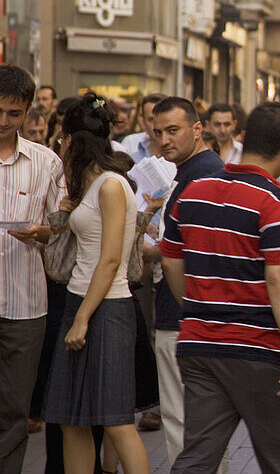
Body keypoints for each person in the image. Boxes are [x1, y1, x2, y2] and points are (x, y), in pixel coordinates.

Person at [161, 102, 280, 474]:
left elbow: (170, 261)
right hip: (257, 349)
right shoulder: (275, 200)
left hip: (198, 344)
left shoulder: (194, 190)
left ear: (243, 137)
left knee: (197, 455)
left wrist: (197, 308)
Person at [42, 93, 149, 474]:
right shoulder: (91, 185)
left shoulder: (110, 185)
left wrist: (83, 318)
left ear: (71, 140)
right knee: (71, 419)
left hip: (106, 308)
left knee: (116, 421)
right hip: (80, 302)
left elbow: (110, 259)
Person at [147, 96, 226, 471]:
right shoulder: (193, 172)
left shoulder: (202, 175)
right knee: (203, 426)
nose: (164, 140)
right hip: (194, 316)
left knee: (184, 423)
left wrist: (154, 250)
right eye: (158, 131)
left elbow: (193, 250)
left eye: (173, 130)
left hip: (184, 317)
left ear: (197, 130)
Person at [0, 66, 64, 474]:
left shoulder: (46, 163)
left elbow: (64, 228)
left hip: (25, 305)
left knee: (13, 411)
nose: (3, 122)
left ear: (28, 113)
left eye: (13, 113)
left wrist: (45, 232)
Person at [121, 93, 167, 162]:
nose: (157, 125)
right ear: (143, 121)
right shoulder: (130, 145)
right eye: (151, 119)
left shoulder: (181, 151)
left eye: (162, 119)